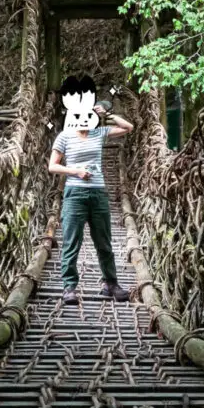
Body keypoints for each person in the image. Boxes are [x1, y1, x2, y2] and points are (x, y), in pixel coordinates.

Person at [48, 75, 132, 304]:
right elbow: (52, 166)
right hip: (75, 194)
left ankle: (111, 284)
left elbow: (128, 127)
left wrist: (107, 113)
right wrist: (75, 172)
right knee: (71, 241)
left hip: (98, 194)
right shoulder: (64, 136)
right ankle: (69, 287)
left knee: (103, 241)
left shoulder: (99, 133)